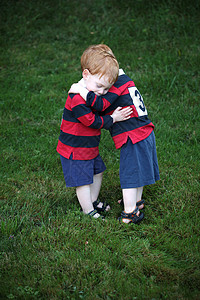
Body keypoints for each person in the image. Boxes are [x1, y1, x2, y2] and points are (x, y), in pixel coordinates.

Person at [69, 44, 160, 224]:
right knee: (138, 169)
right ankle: (136, 202)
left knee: (130, 173)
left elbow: (101, 105)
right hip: (144, 131)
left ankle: (130, 212)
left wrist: (81, 91)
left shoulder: (116, 82)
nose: (104, 90)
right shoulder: (120, 79)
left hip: (133, 135)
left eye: (105, 86)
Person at [57, 46, 132, 220]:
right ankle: (87, 210)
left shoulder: (91, 93)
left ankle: (92, 200)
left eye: (106, 89)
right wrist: (113, 118)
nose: (101, 92)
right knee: (83, 180)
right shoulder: (76, 97)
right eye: (99, 86)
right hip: (75, 149)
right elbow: (91, 121)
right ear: (85, 74)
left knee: (98, 171)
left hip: (88, 147)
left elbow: (100, 104)